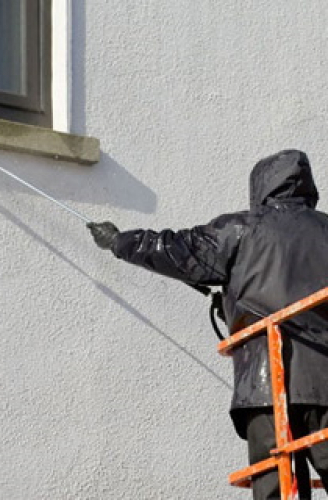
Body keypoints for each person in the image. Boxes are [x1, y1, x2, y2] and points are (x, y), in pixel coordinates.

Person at [88, 150, 328, 499]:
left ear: (262, 186)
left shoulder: (243, 229)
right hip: (324, 382)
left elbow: (175, 250)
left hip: (264, 387)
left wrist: (119, 241)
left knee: (276, 483)